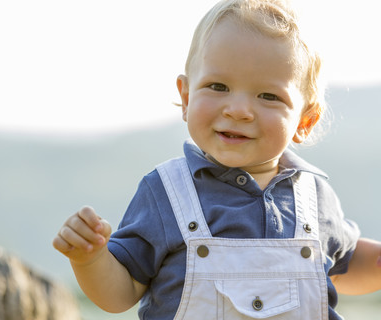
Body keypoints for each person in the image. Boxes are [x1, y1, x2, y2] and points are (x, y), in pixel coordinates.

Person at [52, 0, 381, 319]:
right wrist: (90, 259)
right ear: (186, 96)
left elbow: (345, 263)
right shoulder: (167, 191)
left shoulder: (315, 197)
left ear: (305, 121)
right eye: (218, 86)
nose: (237, 109)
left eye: (268, 96)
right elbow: (120, 294)